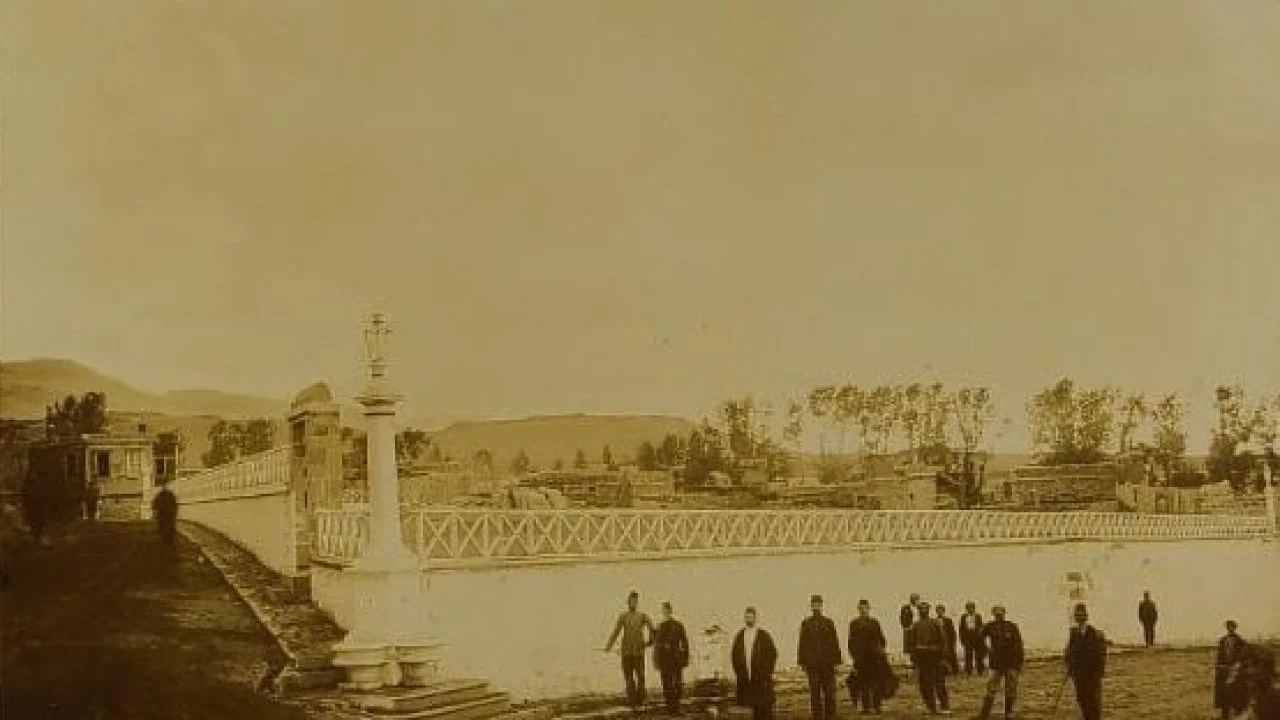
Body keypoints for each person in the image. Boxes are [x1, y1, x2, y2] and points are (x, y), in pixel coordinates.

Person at [603, 591, 657, 709]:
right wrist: (609, 646)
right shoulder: (623, 616)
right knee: (628, 677)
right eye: (631, 601)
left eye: (635, 601)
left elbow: (653, 630)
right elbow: (616, 632)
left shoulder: (643, 616)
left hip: (638, 652)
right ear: (628, 602)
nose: (633, 603)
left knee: (641, 677)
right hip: (626, 652)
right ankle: (632, 700)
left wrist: (649, 643)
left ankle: (641, 700)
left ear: (637, 603)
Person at [975, 605, 1023, 720]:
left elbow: (1019, 644)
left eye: (1000, 614)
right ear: (993, 615)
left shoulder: (1011, 626)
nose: (999, 616)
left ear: (1004, 614)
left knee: (1011, 687)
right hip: (996, 662)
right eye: (996, 614)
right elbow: (979, 639)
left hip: (1011, 662)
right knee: (991, 687)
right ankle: (984, 713)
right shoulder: (990, 626)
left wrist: (1019, 663)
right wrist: (987, 650)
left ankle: (1008, 713)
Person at [798, 595, 842, 720]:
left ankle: (830, 716)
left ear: (821, 606)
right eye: (814, 605)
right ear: (811, 606)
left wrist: (837, 662)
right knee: (815, 694)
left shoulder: (828, 623)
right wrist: (802, 662)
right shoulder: (806, 623)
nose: (816, 607)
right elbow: (802, 644)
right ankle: (817, 716)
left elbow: (835, 642)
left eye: (818, 604)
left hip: (827, 664)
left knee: (830, 693)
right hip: (812, 665)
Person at [732, 607, 778, 720]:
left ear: (755, 618)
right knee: (752, 705)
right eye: (747, 617)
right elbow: (734, 655)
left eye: (751, 617)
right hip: (747, 677)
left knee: (764, 706)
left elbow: (773, 653)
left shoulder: (763, 635)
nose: (749, 619)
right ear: (744, 619)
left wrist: (767, 671)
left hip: (761, 678)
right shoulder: (740, 635)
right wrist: (739, 672)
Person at [1063, 603, 1106, 720]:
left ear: (1086, 616)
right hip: (1079, 675)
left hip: (1092, 675)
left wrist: (1099, 672)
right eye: (1077, 615)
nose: (1080, 617)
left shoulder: (1095, 634)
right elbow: (1069, 652)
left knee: (1093, 702)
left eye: (1082, 615)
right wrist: (1069, 666)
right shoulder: (1073, 634)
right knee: (1082, 700)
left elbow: (1101, 655)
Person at [908, 601, 951, 715]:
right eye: (921, 609)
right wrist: (914, 658)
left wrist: (943, 656)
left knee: (939, 683)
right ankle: (931, 707)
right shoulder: (915, 625)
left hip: (935, 656)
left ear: (928, 610)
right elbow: (912, 643)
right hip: (922, 658)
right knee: (925, 685)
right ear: (918, 611)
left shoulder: (935, 623)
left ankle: (945, 707)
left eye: (925, 608)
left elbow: (943, 640)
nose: (923, 611)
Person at [847, 599, 889, 715]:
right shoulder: (854, 623)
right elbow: (851, 642)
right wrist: (854, 656)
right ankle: (866, 708)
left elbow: (882, 639)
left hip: (874, 658)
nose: (863, 610)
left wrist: (880, 652)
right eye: (861, 608)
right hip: (861, 659)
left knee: (876, 683)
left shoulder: (874, 623)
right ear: (858, 609)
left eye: (865, 608)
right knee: (863, 684)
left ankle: (877, 706)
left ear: (869, 609)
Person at [653, 601, 689, 715]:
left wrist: (685, 657)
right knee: (666, 685)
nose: (666, 612)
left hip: (676, 659)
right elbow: (656, 644)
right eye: (664, 610)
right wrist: (656, 660)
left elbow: (685, 642)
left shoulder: (678, 625)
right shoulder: (659, 627)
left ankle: (676, 707)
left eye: (668, 610)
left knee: (678, 684)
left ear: (671, 610)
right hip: (664, 660)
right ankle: (670, 708)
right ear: (662, 612)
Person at [1215, 620, 1247, 720]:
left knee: (1236, 691)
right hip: (1224, 669)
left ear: (1235, 628)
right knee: (1224, 692)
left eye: (1232, 627)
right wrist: (1219, 665)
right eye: (1228, 627)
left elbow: (1243, 655)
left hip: (1235, 669)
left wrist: (1237, 665)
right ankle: (1225, 714)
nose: (1230, 629)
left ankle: (1237, 713)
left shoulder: (1240, 641)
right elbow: (1219, 655)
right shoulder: (1223, 640)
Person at [959, 602, 986, 676]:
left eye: (971, 607)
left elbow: (981, 627)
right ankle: (969, 672)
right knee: (968, 655)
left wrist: (981, 637)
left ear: (974, 608)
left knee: (979, 655)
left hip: (977, 637)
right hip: (968, 638)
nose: (970, 609)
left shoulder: (978, 616)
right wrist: (962, 639)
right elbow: (961, 629)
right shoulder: (963, 617)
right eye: (968, 608)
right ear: (966, 609)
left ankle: (980, 671)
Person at [151, 482, 178, 547]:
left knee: (165, 528)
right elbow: (175, 505)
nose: (164, 487)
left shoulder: (161, 495)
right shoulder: (168, 495)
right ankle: (167, 541)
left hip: (165, 515)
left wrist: (155, 514)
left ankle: (167, 541)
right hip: (166, 515)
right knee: (167, 528)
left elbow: (155, 505)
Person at [935, 605, 959, 676]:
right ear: (936, 612)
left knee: (951, 655)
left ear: (943, 611)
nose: (940, 612)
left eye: (941, 611)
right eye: (938, 611)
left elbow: (952, 631)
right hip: (939, 641)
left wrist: (953, 641)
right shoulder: (934, 621)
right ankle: (942, 671)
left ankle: (955, 671)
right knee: (940, 656)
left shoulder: (948, 620)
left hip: (947, 640)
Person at [899, 593, 921, 667]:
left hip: (917, 628)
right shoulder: (906, 608)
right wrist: (906, 626)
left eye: (917, 599)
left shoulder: (919, 608)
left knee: (916, 645)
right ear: (912, 600)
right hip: (908, 628)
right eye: (915, 599)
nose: (917, 601)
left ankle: (916, 661)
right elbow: (902, 618)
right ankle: (908, 662)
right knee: (907, 645)